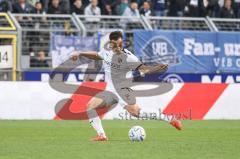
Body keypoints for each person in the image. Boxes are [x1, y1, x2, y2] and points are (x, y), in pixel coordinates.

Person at [71, 31, 183, 141]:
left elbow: (143, 69)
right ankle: (102, 135)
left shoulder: (129, 56)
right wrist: (80, 53)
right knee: (90, 106)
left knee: (137, 113)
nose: (119, 47)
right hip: (110, 91)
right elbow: (96, 55)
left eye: (120, 44)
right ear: (110, 43)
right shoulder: (106, 52)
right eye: (116, 45)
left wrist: (157, 68)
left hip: (122, 91)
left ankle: (170, 119)